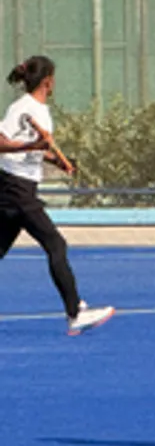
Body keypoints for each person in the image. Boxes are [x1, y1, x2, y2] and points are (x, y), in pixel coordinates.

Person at [0, 56, 114, 336]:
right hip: (16, 188)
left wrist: (55, 160)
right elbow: (2, 142)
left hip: (15, 188)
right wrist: (32, 144)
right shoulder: (23, 108)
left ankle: (75, 309)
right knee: (56, 245)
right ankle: (75, 312)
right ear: (48, 81)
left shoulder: (38, 110)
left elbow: (34, 148)